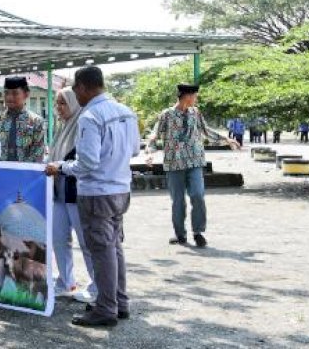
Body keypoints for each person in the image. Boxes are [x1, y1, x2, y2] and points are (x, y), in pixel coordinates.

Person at [45, 65, 141, 328]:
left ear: (84, 87)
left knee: (102, 250)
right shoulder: (126, 112)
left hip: (97, 191)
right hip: (121, 189)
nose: (77, 94)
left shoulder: (90, 116)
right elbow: (134, 150)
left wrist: (60, 167)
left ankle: (106, 308)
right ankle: (119, 302)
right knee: (114, 248)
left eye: (76, 89)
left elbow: (86, 162)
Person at [147, 84, 240, 248]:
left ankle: (198, 232)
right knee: (178, 201)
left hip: (195, 161)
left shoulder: (195, 112)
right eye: (195, 96)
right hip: (174, 163)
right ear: (186, 96)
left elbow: (206, 130)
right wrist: (150, 152)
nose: (196, 99)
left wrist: (227, 139)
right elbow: (155, 134)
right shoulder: (167, 115)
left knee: (197, 195)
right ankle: (180, 234)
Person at [47, 88, 97, 304]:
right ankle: (65, 281)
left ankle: (97, 286)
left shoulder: (83, 125)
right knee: (59, 238)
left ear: (75, 103)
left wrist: (59, 167)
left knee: (86, 242)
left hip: (77, 192)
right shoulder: (62, 127)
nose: (58, 108)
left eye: (63, 103)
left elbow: (82, 161)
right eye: (57, 103)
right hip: (58, 191)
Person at [0, 76, 46, 163]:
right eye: (6, 93)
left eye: (15, 93)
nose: (9, 97)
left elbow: (37, 153)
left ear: (26, 94)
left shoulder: (36, 122)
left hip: (26, 174)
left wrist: (20, 171)